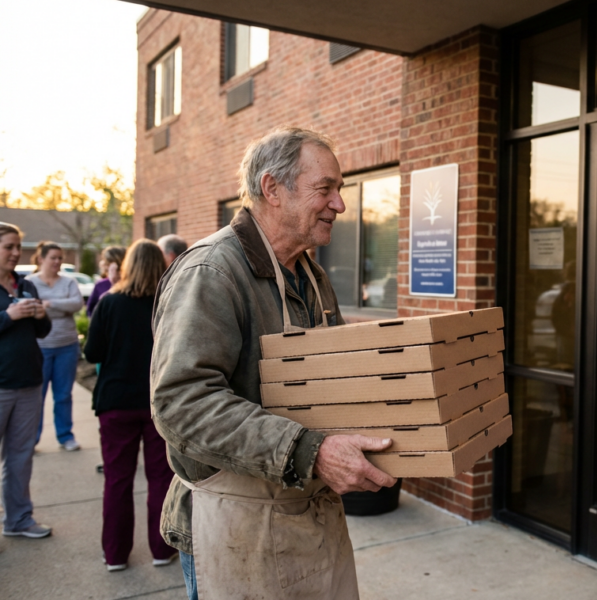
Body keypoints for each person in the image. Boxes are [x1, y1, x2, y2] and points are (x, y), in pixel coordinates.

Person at [151, 127, 396, 600]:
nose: (339, 205)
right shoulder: (212, 271)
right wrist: (312, 452)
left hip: (310, 514)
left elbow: (337, 378)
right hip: (233, 524)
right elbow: (180, 404)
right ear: (272, 189)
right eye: (325, 189)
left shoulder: (311, 274)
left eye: (339, 190)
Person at [84, 239, 176, 571]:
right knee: (161, 480)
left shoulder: (108, 304)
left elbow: (92, 353)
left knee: (117, 480)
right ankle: (161, 550)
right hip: (157, 403)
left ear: (127, 265)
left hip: (116, 402)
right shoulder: (168, 304)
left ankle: (115, 555)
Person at [0, 222, 53, 538]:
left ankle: (18, 520)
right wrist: (9, 316)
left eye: (19, 247)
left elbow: (43, 332)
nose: (16, 253)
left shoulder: (26, 285)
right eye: (9, 247)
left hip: (29, 384)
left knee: (20, 457)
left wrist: (39, 315)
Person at [27, 242, 84, 451]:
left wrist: (49, 304)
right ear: (41, 259)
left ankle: (65, 436)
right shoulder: (29, 282)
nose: (58, 262)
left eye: (60, 258)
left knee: (63, 395)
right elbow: (31, 308)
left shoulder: (69, 282)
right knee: (36, 396)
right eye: (53, 257)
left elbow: (76, 304)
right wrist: (62, 305)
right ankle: (31, 439)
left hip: (66, 347)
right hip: (39, 348)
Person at [86, 245, 126, 317]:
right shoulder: (101, 284)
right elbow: (91, 310)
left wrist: (115, 283)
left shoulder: (131, 284)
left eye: (108, 263)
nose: (104, 264)